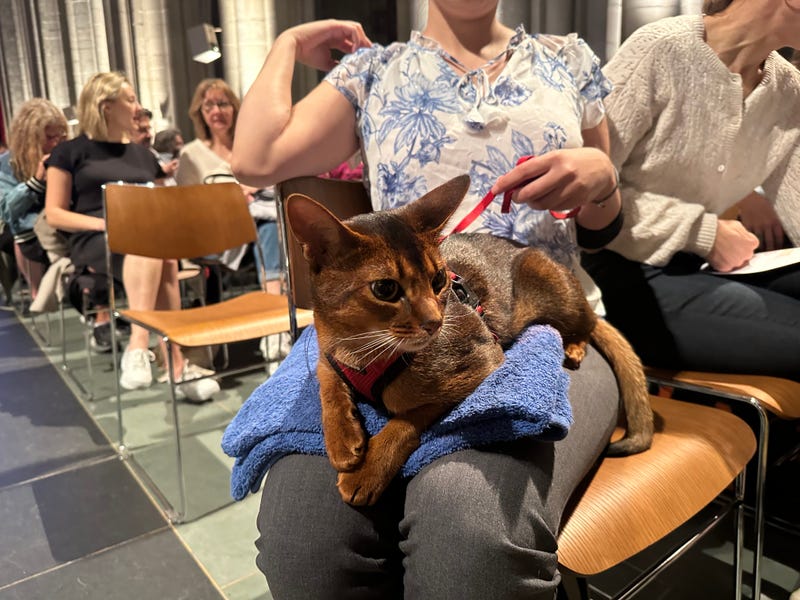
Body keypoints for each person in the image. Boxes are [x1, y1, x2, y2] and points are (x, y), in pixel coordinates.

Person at [231, 1, 625, 597]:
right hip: (383, 326)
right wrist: (285, 43)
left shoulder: (567, 59)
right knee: (304, 544)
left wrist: (605, 176)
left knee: (470, 528)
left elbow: (606, 224)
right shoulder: (372, 72)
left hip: (537, 322)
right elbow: (252, 161)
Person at [581, 0, 800, 381]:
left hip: (699, 266)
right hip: (618, 275)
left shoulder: (787, 90)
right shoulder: (662, 48)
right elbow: (582, 197)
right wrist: (705, 232)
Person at [44, 71, 220, 402]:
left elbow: (165, 201)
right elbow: (55, 213)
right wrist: (105, 226)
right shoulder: (70, 152)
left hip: (147, 239)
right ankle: (159, 355)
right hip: (95, 236)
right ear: (106, 106)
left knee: (162, 252)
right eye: (130, 99)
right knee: (154, 246)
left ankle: (161, 358)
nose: (138, 108)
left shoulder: (143, 155)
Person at [177, 78, 282, 296]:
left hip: (257, 227)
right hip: (216, 233)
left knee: (268, 221)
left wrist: (252, 189)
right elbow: (187, 205)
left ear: (234, 109)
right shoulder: (190, 154)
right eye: (209, 106)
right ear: (200, 113)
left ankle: (276, 295)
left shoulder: (250, 147)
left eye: (223, 104)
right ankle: (276, 296)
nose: (217, 111)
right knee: (267, 223)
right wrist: (230, 199)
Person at [0, 98, 68, 300]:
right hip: (21, 224)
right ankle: (38, 291)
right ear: (30, 138)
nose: (56, 143)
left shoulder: (68, 154)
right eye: (49, 137)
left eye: (60, 137)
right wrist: (36, 182)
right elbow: (7, 210)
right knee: (25, 230)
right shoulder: (7, 164)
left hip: (60, 219)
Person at [133, 108, 179, 182]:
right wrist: (160, 175)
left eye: (149, 129)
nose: (149, 135)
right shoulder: (125, 162)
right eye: (142, 130)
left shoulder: (152, 154)